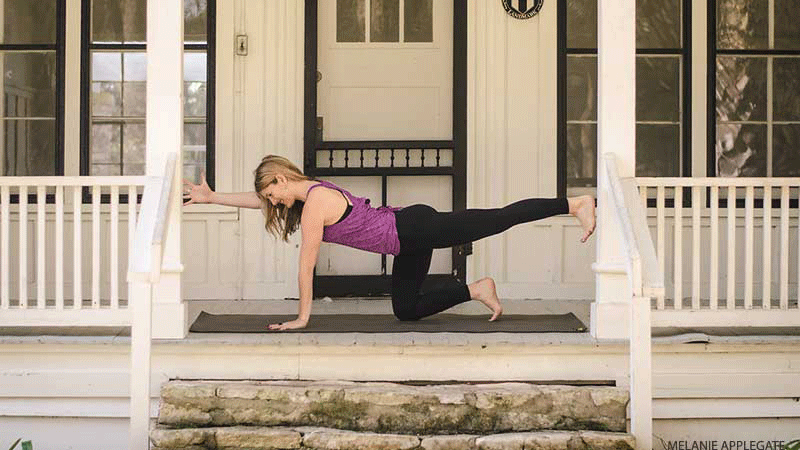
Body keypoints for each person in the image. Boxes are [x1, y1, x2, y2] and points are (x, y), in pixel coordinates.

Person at [183, 155, 596, 331]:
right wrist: (212, 196)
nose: (270, 202)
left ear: (280, 180)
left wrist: (302, 318)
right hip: (403, 241)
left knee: (495, 219)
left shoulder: (314, 205)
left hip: (412, 228)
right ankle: (476, 290)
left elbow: (305, 265)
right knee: (406, 310)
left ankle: (573, 202)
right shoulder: (304, 193)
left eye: (271, 194)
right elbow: (254, 201)